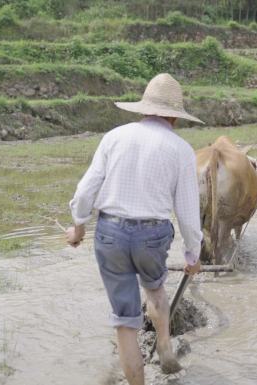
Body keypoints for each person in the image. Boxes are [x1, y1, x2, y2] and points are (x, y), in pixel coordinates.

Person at [65, 73, 204, 385]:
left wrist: (77, 226)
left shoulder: (114, 137)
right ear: (175, 117)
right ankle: (164, 343)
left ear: (144, 109)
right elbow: (187, 213)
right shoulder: (181, 149)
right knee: (154, 288)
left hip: (110, 234)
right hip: (152, 235)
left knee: (125, 322)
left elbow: (86, 190)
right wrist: (193, 255)